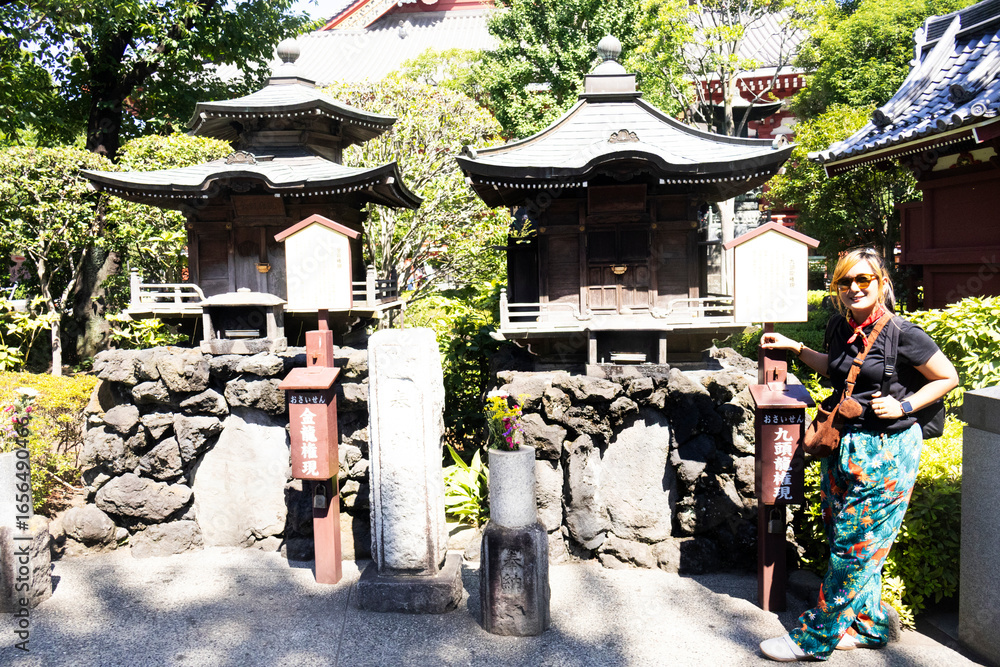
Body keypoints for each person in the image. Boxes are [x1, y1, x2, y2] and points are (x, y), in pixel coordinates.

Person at [758, 247, 958, 662]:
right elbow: (838, 369)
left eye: (863, 280)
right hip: (843, 445)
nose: (853, 288)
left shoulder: (905, 333)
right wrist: (796, 348)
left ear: (882, 283)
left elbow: (947, 377)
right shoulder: (840, 325)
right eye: (844, 281)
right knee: (843, 539)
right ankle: (868, 626)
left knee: (856, 547)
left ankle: (814, 639)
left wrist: (905, 405)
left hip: (887, 451)